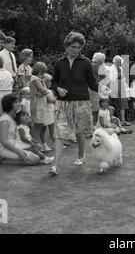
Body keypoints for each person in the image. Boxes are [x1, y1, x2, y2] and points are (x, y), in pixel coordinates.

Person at [49, 31, 98, 175]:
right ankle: (54, 166)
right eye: (73, 47)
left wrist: (103, 88)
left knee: (79, 132)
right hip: (62, 103)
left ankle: (81, 155)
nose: (76, 50)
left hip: (81, 103)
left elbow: (92, 83)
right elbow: (53, 81)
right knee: (59, 133)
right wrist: (57, 88)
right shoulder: (59, 63)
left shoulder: (86, 63)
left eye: (79, 47)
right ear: (67, 46)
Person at [0, 94, 40, 165]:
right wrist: (18, 151)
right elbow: (3, 140)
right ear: (9, 104)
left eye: (19, 101)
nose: (19, 103)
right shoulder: (5, 119)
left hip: (14, 145)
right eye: (16, 102)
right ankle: (3, 160)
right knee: (35, 159)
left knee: (37, 152)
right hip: (4, 148)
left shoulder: (14, 117)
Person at [29, 62, 51, 152]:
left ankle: (37, 144)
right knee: (37, 125)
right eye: (44, 71)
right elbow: (44, 91)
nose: (44, 73)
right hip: (37, 105)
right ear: (40, 70)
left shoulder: (38, 79)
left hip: (40, 104)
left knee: (40, 125)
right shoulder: (36, 79)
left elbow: (44, 91)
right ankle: (35, 145)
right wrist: (46, 91)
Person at [108, 55, 131, 126]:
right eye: (117, 62)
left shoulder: (120, 68)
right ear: (114, 62)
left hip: (121, 87)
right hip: (114, 88)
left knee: (123, 104)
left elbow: (123, 78)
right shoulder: (111, 69)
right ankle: (117, 121)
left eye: (120, 62)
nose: (119, 63)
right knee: (116, 104)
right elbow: (111, 79)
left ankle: (123, 120)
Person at [40, 73, 56, 150]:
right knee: (43, 129)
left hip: (51, 111)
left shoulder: (49, 91)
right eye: (49, 82)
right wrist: (57, 99)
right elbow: (50, 100)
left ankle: (55, 143)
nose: (50, 83)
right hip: (45, 112)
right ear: (45, 82)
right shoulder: (44, 91)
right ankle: (44, 145)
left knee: (52, 129)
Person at [90, 52, 106, 124]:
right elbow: (103, 75)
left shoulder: (92, 64)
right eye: (102, 61)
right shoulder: (96, 65)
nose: (103, 62)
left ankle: (94, 124)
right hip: (94, 88)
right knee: (95, 107)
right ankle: (94, 124)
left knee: (93, 107)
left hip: (92, 87)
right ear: (100, 60)